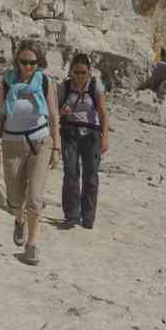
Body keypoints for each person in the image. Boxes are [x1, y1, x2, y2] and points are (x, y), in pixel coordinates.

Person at [0, 41, 60, 265]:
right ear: (17, 61)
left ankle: (32, 244)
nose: (28, 67)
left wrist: (56, 147)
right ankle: (19, 220)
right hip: (12, 144)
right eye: (24, 62)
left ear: (39, 63)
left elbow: (53, 116)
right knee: (14, 197)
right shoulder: (7, 82)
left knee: (34, 196)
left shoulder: (45, 82)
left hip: (40, 143)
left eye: (32, 63)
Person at [58, 53, 109, 229]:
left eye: (83, 73)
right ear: (71, 71)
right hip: (69, 133)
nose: (80, 76)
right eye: (76, 72)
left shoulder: (95, 86)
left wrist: (105, 137)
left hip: (91, 134)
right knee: (71, 172)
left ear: (89, 72)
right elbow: (54, 110)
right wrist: (62, 112)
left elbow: (103, 113)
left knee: (91, 176)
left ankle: (88, 217)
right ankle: (71, 215)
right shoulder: (64, 87)